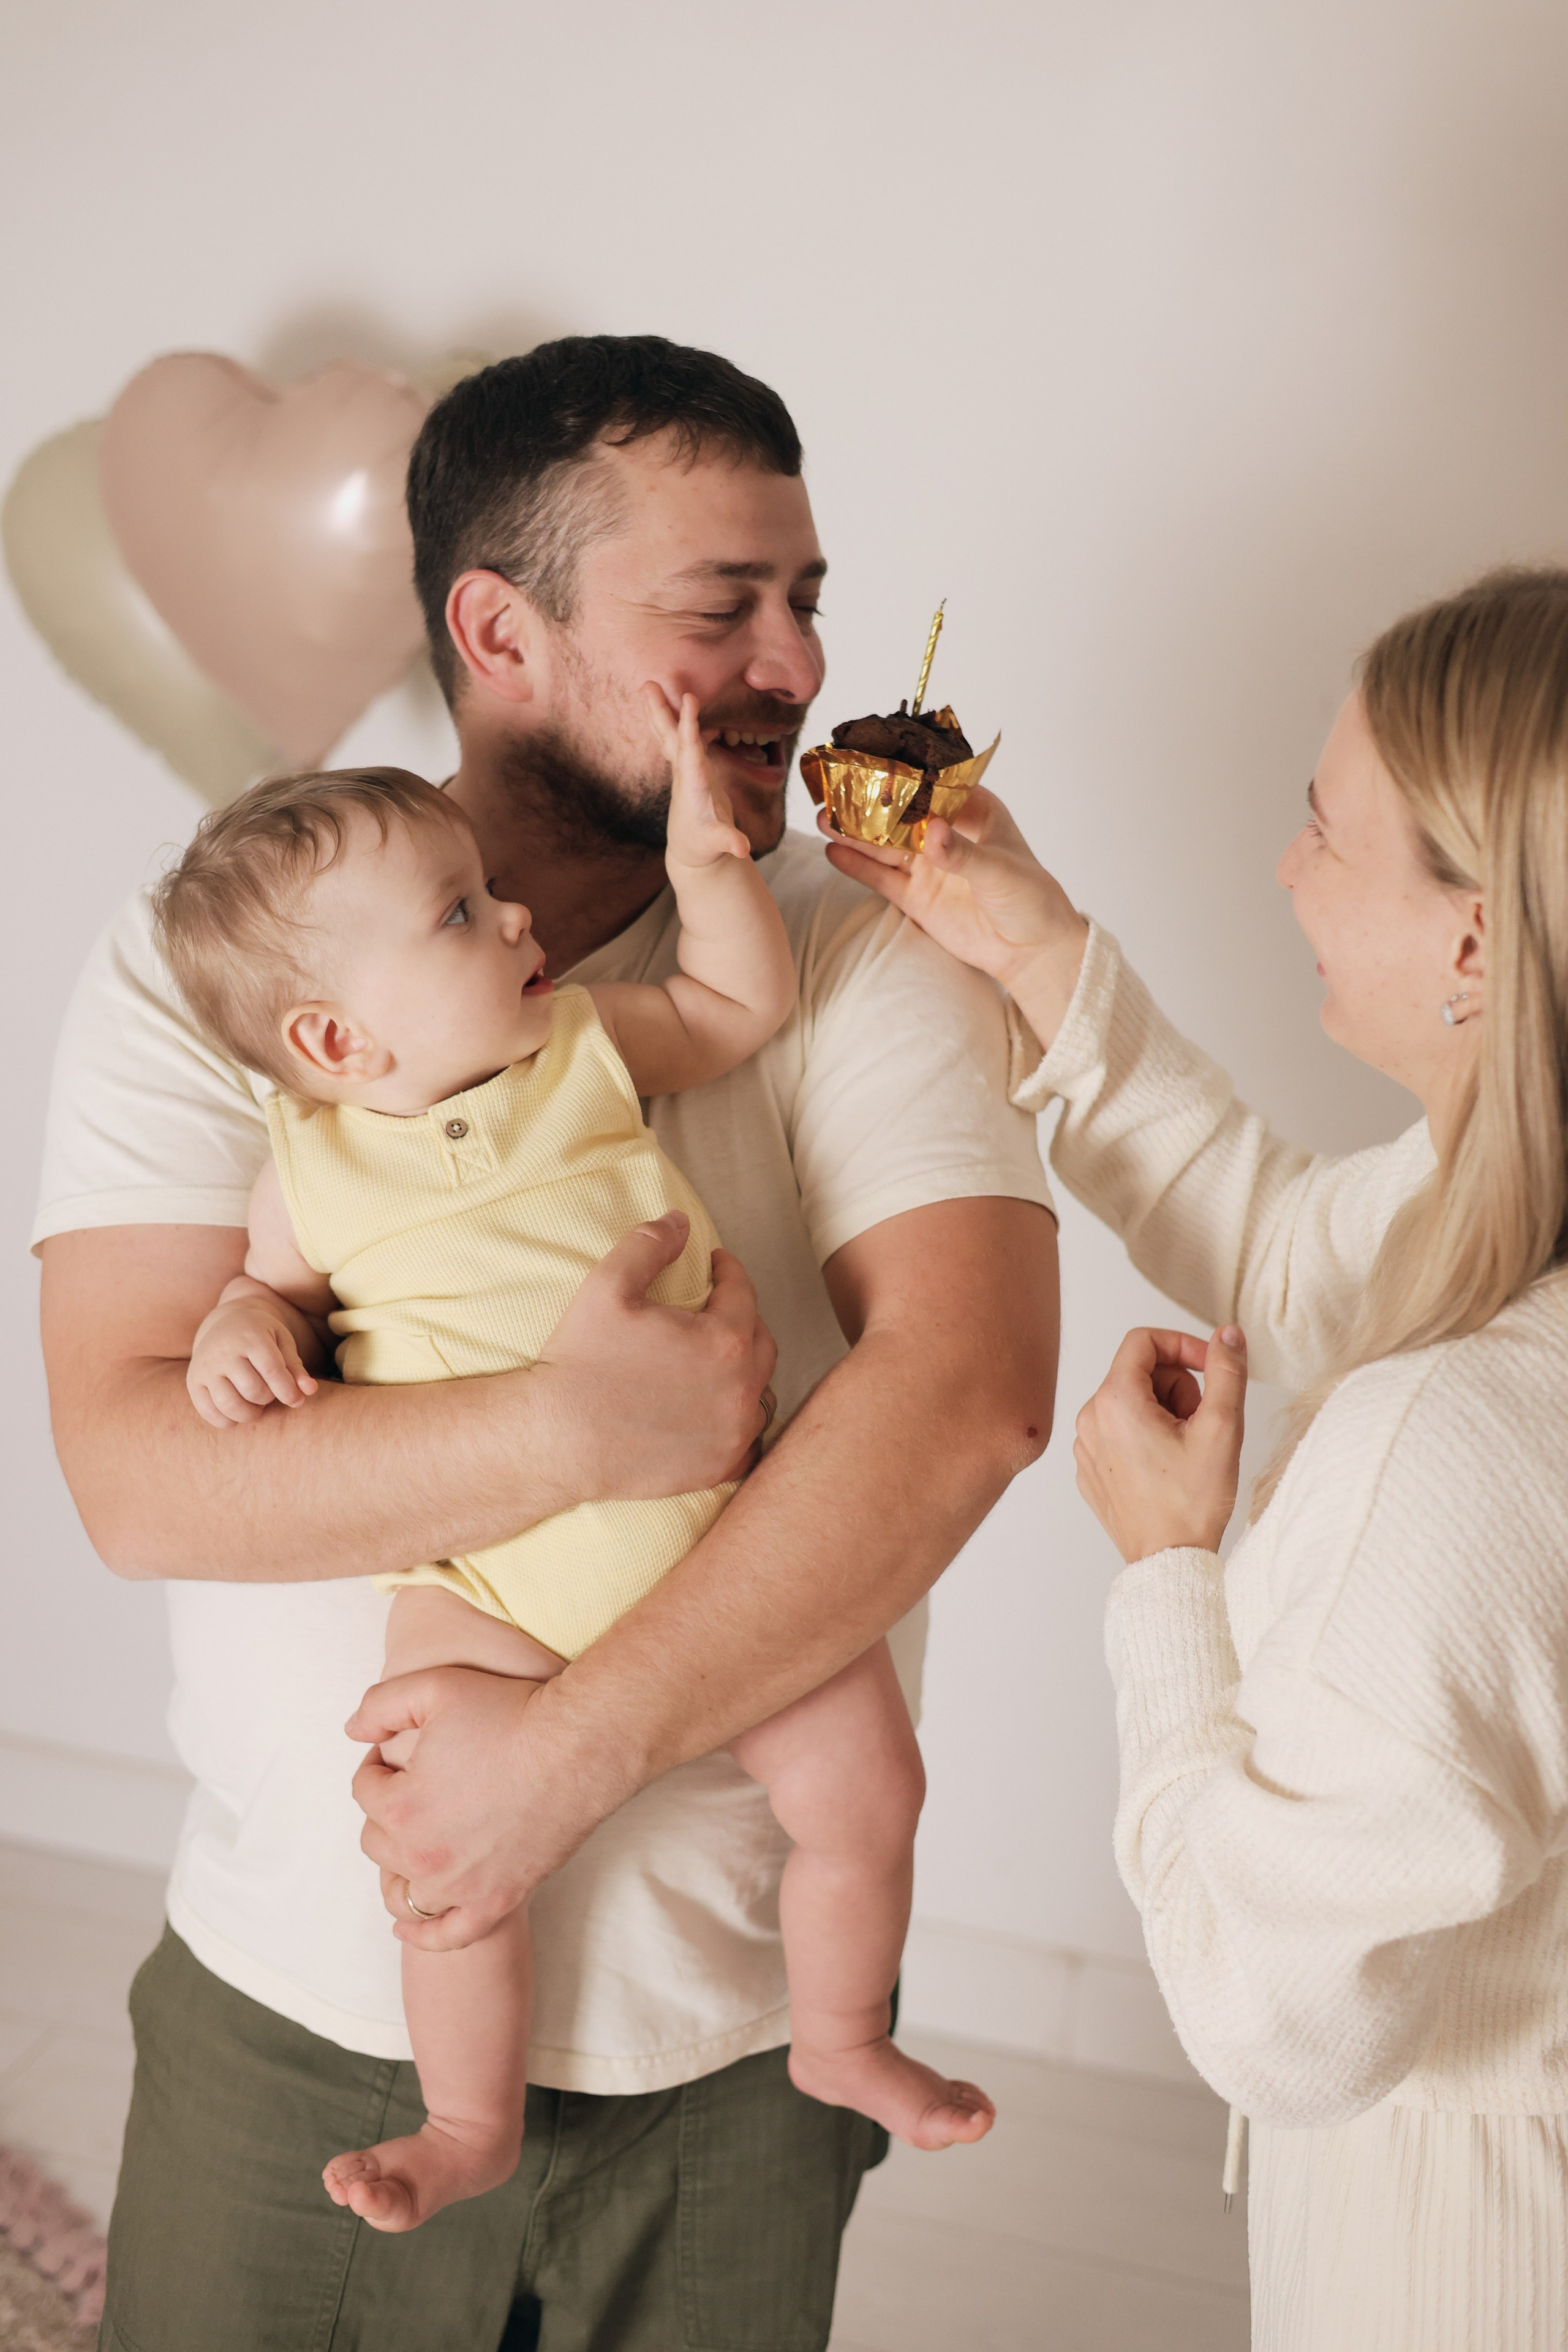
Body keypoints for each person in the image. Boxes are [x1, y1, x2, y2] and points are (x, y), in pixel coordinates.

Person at [36, 336, 1057, 2351]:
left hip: (736, 2052)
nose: (793, 663)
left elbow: (971, 1401)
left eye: (809, 601)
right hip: (309, 2010)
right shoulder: (236, 964)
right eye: (722, 608)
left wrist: (558, 1767)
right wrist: (578, 1428)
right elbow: (140, 1479)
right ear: (499, 629)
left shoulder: (854, 951)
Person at [826, 565, 1568, 2350]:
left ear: (1475, 942)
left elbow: (1268, 2007)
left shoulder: (1449, 1443)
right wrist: (1042, 956)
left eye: (1325, 828)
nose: (1286, 868)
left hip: (1469, 2247)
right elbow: (1298, 1250)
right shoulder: (1485, 1239)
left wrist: (1169, 1576)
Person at [163, 716, 993, 2230]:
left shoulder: (582, 1043)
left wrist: (707, 864)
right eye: (461, 914)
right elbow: (267, 1295)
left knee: (869, 1788)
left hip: (725, 1542)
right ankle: (465, 2122)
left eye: (487, 890)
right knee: (440, 1865)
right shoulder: (308, 1164)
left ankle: (840, 2038)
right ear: (337, 1045)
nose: (518, 916)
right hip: (490, 1583)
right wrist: (236, 1326)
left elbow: (736, 1002)